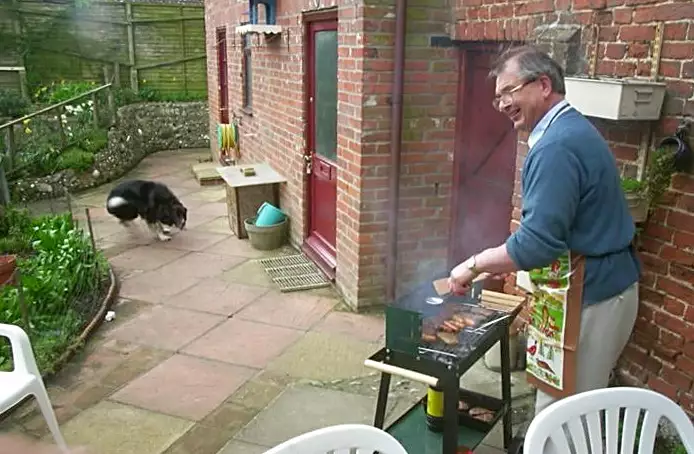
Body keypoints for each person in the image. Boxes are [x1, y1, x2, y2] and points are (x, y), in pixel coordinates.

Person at [447, 45, 641, 450]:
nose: (502, 104)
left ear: (543, 85)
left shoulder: (556, 146)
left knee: (563, 415)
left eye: (509, 92)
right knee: (572, 405)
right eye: (497, 96)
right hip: (602, 288)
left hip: (593, 297)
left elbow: (536, 243)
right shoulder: (571, 129)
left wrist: (473, 265)